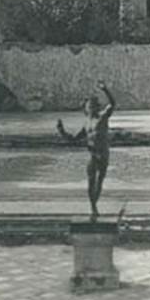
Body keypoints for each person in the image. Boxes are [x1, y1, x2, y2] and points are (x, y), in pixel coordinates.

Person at [57, 81, 116, 220]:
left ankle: (95, 205)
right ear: (86, 108)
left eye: (93, 106)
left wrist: (105, 89)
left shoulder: (102, 117)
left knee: (99, 181)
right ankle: (93, 206)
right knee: (90, 181)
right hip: (92, 154)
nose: (90, 108)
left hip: (103, 154)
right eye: (88, 106)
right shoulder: (86, 123)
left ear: (96, 107)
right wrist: (61, 130)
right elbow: (74, 139)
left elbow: (112, 104)